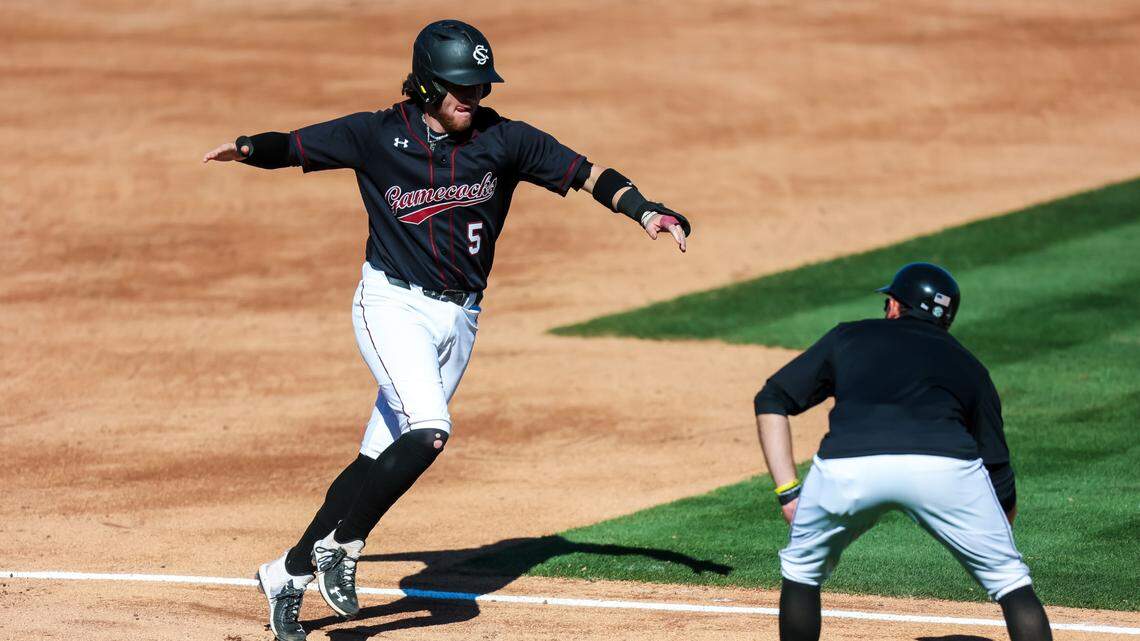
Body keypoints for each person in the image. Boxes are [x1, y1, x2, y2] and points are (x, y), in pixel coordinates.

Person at [202, 19, 691, 641]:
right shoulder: (376, 134)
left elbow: (590, 174)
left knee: (380, 458)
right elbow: (295, 146)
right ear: (428, 86)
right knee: (429, 431)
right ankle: (343, 546)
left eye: (481, 86)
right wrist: (246, 147)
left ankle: (289, 571)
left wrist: (645, 210)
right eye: (463, 87)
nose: (475, 97)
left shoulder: (505, 140)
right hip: (391, 306)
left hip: (461, 317)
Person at [753, 263, 1052, 641]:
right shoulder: (970, 365)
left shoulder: (849, 336)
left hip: (849, 465)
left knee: (802, 571)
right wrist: (997, 525)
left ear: (895, 306)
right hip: (943, 469)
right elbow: (996, 464)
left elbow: (772, 398)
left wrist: (788, 491)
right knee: (1011, 583)